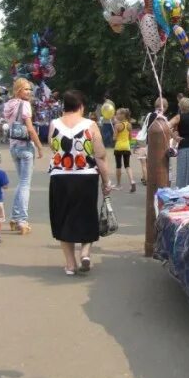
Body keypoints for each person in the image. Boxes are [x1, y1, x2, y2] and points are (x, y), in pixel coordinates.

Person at [47, 88, 112, 275]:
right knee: (87, 215)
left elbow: (53, 147)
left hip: (60, 177)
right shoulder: (90, 125)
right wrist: (106, 181)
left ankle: (70, 264)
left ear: (64, 106)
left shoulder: (54, 124)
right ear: (81, 106)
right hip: (86, 177)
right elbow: (100, 155)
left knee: (62, 218)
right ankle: (85, 252)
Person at [2, 78, 43, 234]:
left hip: (13, 147)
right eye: (26, 89)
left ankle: (14, 217)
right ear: (18, 90)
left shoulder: (9, 104)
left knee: (21, 183)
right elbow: (31, 129)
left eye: (30, 89)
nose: (29, 92)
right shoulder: (24, 105)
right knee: (25, 184)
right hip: (25, 147)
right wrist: (39, 146)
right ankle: (23, 221)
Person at [135, 97, 169, 185]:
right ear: (164, 107)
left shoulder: (150, 115)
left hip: (147, 143)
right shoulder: (162, 118)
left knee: (148, 164)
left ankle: (147, 179)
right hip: (157, 144)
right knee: (156, 165)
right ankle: (152, 181)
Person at [112, 107, 136, 192]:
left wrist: (115, 135)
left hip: (118, 147)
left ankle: (118, 185)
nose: (116, 115)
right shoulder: (129, 125)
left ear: (122, 115)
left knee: (118, 166)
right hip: (126, 147)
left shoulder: (117, 126)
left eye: (117, 113)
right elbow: (130, 138)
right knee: (127, 165)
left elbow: (114, 138)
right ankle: (132, 181)